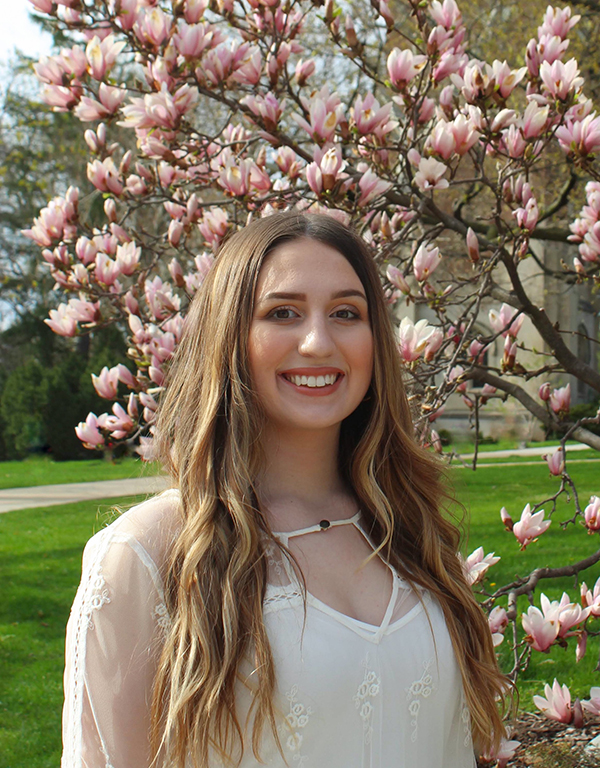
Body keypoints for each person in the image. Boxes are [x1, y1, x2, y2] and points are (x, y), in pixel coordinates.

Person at [61, 211, 509, 768]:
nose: (319, 342)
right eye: (283, 313)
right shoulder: (147, 554)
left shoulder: (408, 528)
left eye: (347, 313)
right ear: (231, 337)